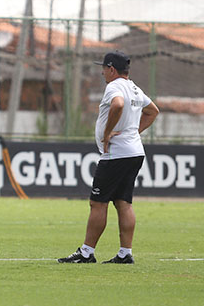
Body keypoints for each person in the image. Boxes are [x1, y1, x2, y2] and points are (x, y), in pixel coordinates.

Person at [58, 51, 159, 264]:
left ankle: (86, 252)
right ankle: (125, 253)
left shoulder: (114, 87)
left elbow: (118, 105)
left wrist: (107, 133)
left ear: (112, 69)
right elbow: (153, 111)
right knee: (124, 203)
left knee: (98, 203)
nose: (102, 71)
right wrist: (134, 132)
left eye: (104, 68)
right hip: (134, 152)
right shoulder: (134, 87)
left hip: (116, 155)